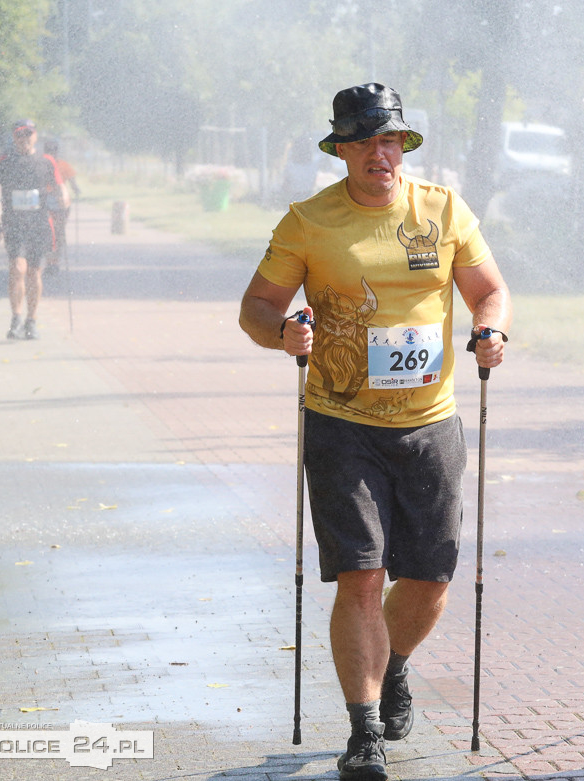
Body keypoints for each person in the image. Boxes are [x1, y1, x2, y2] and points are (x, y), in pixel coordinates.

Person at [238, 83, 511, 781]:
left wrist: (491, 328)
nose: (378, 153)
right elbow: (257, 308)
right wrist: (284, 333)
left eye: (389, 140)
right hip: (341, 421)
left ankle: (392, 665)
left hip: (429, 424)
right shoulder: (309, 221)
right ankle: (363, 734)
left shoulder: (443, 210)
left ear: (403, 146)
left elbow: (488, 289)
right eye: (362, 141)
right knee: (361, 575)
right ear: (340, 151)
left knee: (429, 579)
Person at [0, 119, 70, 340]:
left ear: (35, 136)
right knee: (17, 269)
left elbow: (61, 188)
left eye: (28, 133)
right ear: (14, 137)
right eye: (19, 134)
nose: (24, 138)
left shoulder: (46, 161)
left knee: (33, 272)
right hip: (13, 224)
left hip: (39, 224)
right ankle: (16, 318)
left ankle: (31, 321)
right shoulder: (2, 161)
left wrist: (63, 199)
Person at [42, 139, 81, 273]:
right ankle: (50, 262)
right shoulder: (41, 164)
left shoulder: (63, 165)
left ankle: (54, 262)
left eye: (52, 152)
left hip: (60, 203)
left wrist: (76, 190)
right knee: (49, 232)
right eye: (49, 152)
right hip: (47, 203)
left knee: (57, 232)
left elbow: (73, 182)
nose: (51, 154)